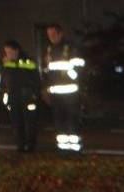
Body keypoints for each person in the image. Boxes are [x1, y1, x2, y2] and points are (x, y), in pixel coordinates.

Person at [42, 24, 84, 153]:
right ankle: (63, 148)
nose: (51, 37)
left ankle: (75, 148)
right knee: (58, 121)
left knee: (72, 120)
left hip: (70, 92)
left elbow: (79, 67)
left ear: (60, 34)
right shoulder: (49, 49)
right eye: (49, 35)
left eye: (53, 34)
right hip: (55, 93)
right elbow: (47, 71)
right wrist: (46, 88)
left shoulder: (70, 48)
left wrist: (70, 74)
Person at [0, 40, 39, 153]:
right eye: (6, 52)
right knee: (16, 121)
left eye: (10, 51)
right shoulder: (4, 63)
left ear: (17, 50)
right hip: (13, 95)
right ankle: (20, 145)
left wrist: (35, 93)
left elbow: (34, 74)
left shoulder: (27, 60)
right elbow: (2, 79)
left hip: (27, 95)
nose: (8, 54)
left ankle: (30, 145)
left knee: (29, 122)